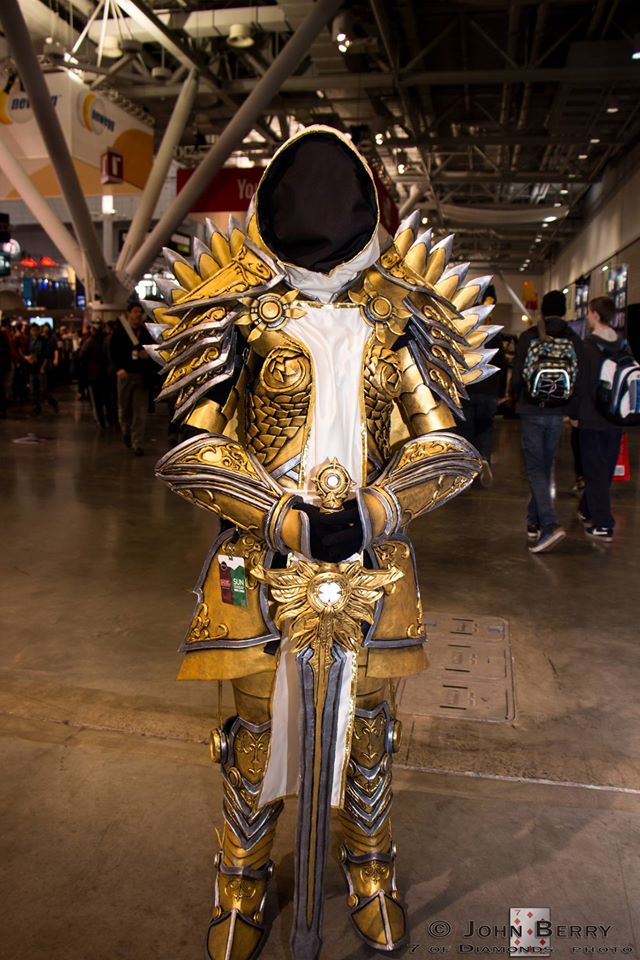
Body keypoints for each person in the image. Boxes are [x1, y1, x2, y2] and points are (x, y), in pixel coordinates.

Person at [146, 127, 498, 960]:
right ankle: (240, 880)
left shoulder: (397, 313)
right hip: (255, 559)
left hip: (375, 560)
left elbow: (443, 445)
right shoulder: (235, 309)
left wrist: (374, 511)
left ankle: (371, 866)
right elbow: (193, 447)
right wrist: (282, 517)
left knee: (368, 728)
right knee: (255, 732)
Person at [512, 290, 581, 553]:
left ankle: (550, 525)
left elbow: (518, 377)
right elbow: (578, 377)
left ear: (542, 310)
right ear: (564, 310)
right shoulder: (573, 338)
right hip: (557, 412)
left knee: (535, 468)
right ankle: (534, 521)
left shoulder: (530, 336)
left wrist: (518, 398)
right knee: (544, 466)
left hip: (531, 410)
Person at [577, 296, 623, 542]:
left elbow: (581, 384)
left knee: (594, 471)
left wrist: (574, 415)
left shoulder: (587, 347)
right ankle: (587, 509)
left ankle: (604, 524)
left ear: (594, 314)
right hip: (616, 417)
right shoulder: (623, 344)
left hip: (591, 418)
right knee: (603, 470)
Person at [456, 331, 507, 486]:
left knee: (465, 433)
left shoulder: (461, 332)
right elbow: (501, 365)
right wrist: (500, 393)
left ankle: (467, 472)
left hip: (466, 390)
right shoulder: (492, 335)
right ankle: (484, 459)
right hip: (488, 390)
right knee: (485, 430)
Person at [109, 298, 154, 455]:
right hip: (124, 376)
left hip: (141, 376)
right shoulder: (120, 332)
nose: (138, 315)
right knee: (125, 409)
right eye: (135, 312)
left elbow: (153, 350)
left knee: (140, 411)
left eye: (140, 312)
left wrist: (147, 355)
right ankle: (125, 431)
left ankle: (137, 443)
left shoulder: (146, 333)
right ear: (128, 314)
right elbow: (112, 352)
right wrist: (118, 368)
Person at [79, 320, 112, 430]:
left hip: (94, 375)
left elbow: (81, 356)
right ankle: (111, 420)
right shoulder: (108, 339)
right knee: (108, 399)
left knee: (96, 401)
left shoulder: (89, 341)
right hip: (107, 375)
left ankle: (101, 422)